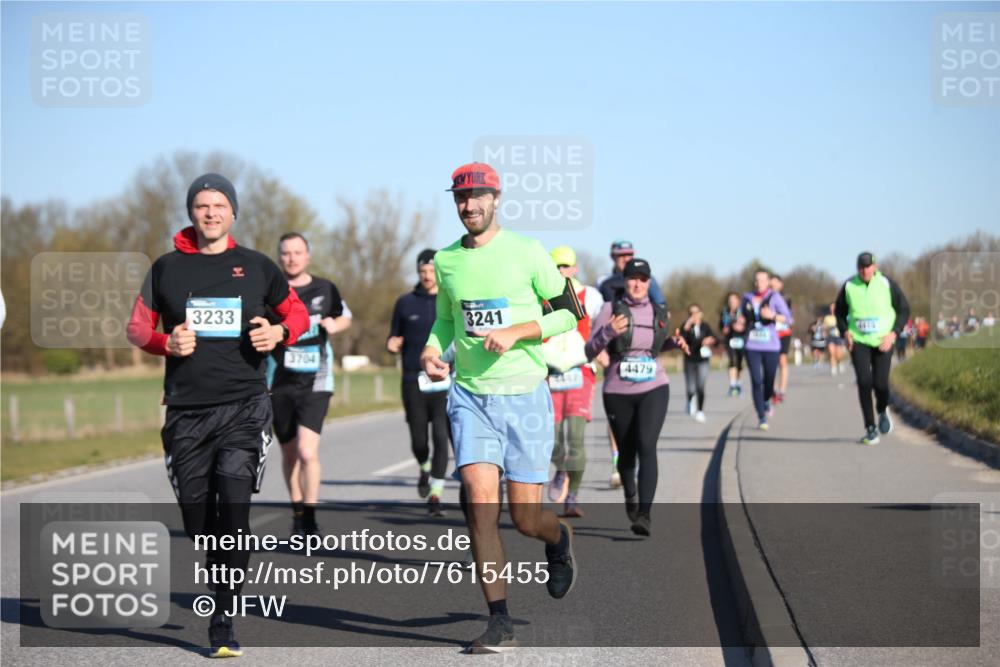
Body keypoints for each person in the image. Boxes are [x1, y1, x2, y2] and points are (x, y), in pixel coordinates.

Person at [126, 174, 309, 658]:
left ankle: (223, 618)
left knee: (233, 516)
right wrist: (167, 343)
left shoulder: (256, 267)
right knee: (198, 521)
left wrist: (279, 334)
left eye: (219, 204)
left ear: (234, 212)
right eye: (202, 205)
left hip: (245, 406)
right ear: (191, 212)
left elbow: (298, 315)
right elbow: (136, 327)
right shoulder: (165, 269)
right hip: (186, 413)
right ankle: (217, 573)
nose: (210, 213)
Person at [420, 162, 582, 653]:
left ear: (496, 198)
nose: (470, 206)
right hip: (469, 395)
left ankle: (558, 541)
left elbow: (569, 314)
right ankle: (500, 622)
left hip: (525, 397)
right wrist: (431, 351)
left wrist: (517, 331)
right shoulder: (447, 261)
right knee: (478, 504)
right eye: (461, 199)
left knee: (525, 520)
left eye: (478, 197)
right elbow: (446, 321)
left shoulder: (529, 253)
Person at [586, 258, 689, 536]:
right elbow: (589, 350)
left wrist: (674, 343)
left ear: (649, 283)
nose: (638, 284)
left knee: (647, 444)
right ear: (625, 281)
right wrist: (608, 331)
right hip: (617, 390)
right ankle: (630, 494)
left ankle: (644, 514)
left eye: (643, 279)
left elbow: (654, 347)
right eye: (633, 278)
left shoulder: (658, 311)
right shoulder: (610, 309)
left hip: (654, 386)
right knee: (628, 452)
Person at [267, 232, 351, 537]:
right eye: (286, 253)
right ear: (279, 258)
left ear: (308, 256)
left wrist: (334, 323)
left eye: (297, 252)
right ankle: (298, 510)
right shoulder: (269, 290)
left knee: (306, 451)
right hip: (279, 380)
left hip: (317, 379)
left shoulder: (325, 288)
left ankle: (311, 518)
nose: (292, 258)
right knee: (289, 453)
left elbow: (344, 317)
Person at [387, 248, 454, 517]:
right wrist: (392, 344)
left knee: (441, 436)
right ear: (417, 272)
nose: (427, 276)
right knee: (418, 440)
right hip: (413, 380)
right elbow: (393, 336)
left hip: (444, 380)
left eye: (431, 271)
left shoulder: (449, 301)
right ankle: (424, 467)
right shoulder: (405, 303)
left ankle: (436, 494)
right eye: (422, 271)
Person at [543, 245, 604, 518]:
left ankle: (574, 496)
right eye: (556, 267)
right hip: (550, 373)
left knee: (576, 438)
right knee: (554, 441)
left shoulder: (590, 296)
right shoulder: (541, 297)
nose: (561, 271)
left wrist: (602, 351)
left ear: (575, 268)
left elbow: (603, 328)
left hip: (581, 371)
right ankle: (561, 469)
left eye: (565, 266)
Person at [835, 252, 910, 445]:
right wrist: (845, 332)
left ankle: (882, 409)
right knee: (864, 382)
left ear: (874, 267)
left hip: (883, 340)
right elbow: (840, 312)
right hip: (859, 340)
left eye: (868, 266)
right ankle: (870, 428)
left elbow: (904, 309)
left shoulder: (886, 283)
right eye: (861, 267)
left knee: (881, 384)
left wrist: (893, 334)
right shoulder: (850, 285)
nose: (865, 270)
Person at [740, 269, 792, 430]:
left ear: (768, 282)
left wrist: (773, 316)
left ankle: (767, 399)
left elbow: (788, 318)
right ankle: (762, 416)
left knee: (769, 381)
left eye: (762, 280)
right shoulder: (747, 298)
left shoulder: (775, 297)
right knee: (756, 381)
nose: (759, 283)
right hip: (751, 345)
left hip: (771, 346)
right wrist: (740, 322)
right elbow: (742, 316)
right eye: (756, 280)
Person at [597, 239, 667, 306]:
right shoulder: (602, 281)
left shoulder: (646, 279)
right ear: (612, 256)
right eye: (621, 255)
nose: (626, 259)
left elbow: (662, 306)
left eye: (629, 254)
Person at [680, 303, 716, 423]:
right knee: (690, 387)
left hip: (703, 360)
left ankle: (700, 411)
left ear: (700, 314)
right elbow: (680, 339)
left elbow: (715, 339)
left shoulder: (705, 326)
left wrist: (710, 340)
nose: (694, 315)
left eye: (696, 312)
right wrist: (687, 325)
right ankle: (690, 401)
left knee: (700, 385)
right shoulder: (686, 327)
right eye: (691, 313)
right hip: (689, 359)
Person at [770, 275, 793, 403]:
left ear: (780, 284)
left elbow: (788, 315)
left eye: (774, 284)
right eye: (770, 284)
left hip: (784, 332)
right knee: (772, 362)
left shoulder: (786, 298)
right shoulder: (766, 298)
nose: (772, 286)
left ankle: (782, 390)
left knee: (782, 360)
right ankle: (772, 389)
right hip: (772, 334)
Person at [719, 292, 746, 396]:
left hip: (741, 339)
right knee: (732, 361)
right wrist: (724, 329)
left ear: (738, 301)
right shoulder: (724, 312)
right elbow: (721, 325)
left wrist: (742, 326)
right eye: (730, 301)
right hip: (730, 340)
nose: (732, 303)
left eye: (734, 300)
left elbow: (748, 324)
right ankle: (732, 385)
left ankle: (739, 383)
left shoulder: (743, 311)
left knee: (739, 363)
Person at [823, 303, 845, 375]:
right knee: (831, 352)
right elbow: (824, 328)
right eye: (831, 307)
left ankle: (840, 362)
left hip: (838, 336)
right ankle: (833, 367)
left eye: (834, 307)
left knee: (838, 354)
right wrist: (825, 334)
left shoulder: (839, 316)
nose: (832, 309)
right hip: (830, 337)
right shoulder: (827, 318)